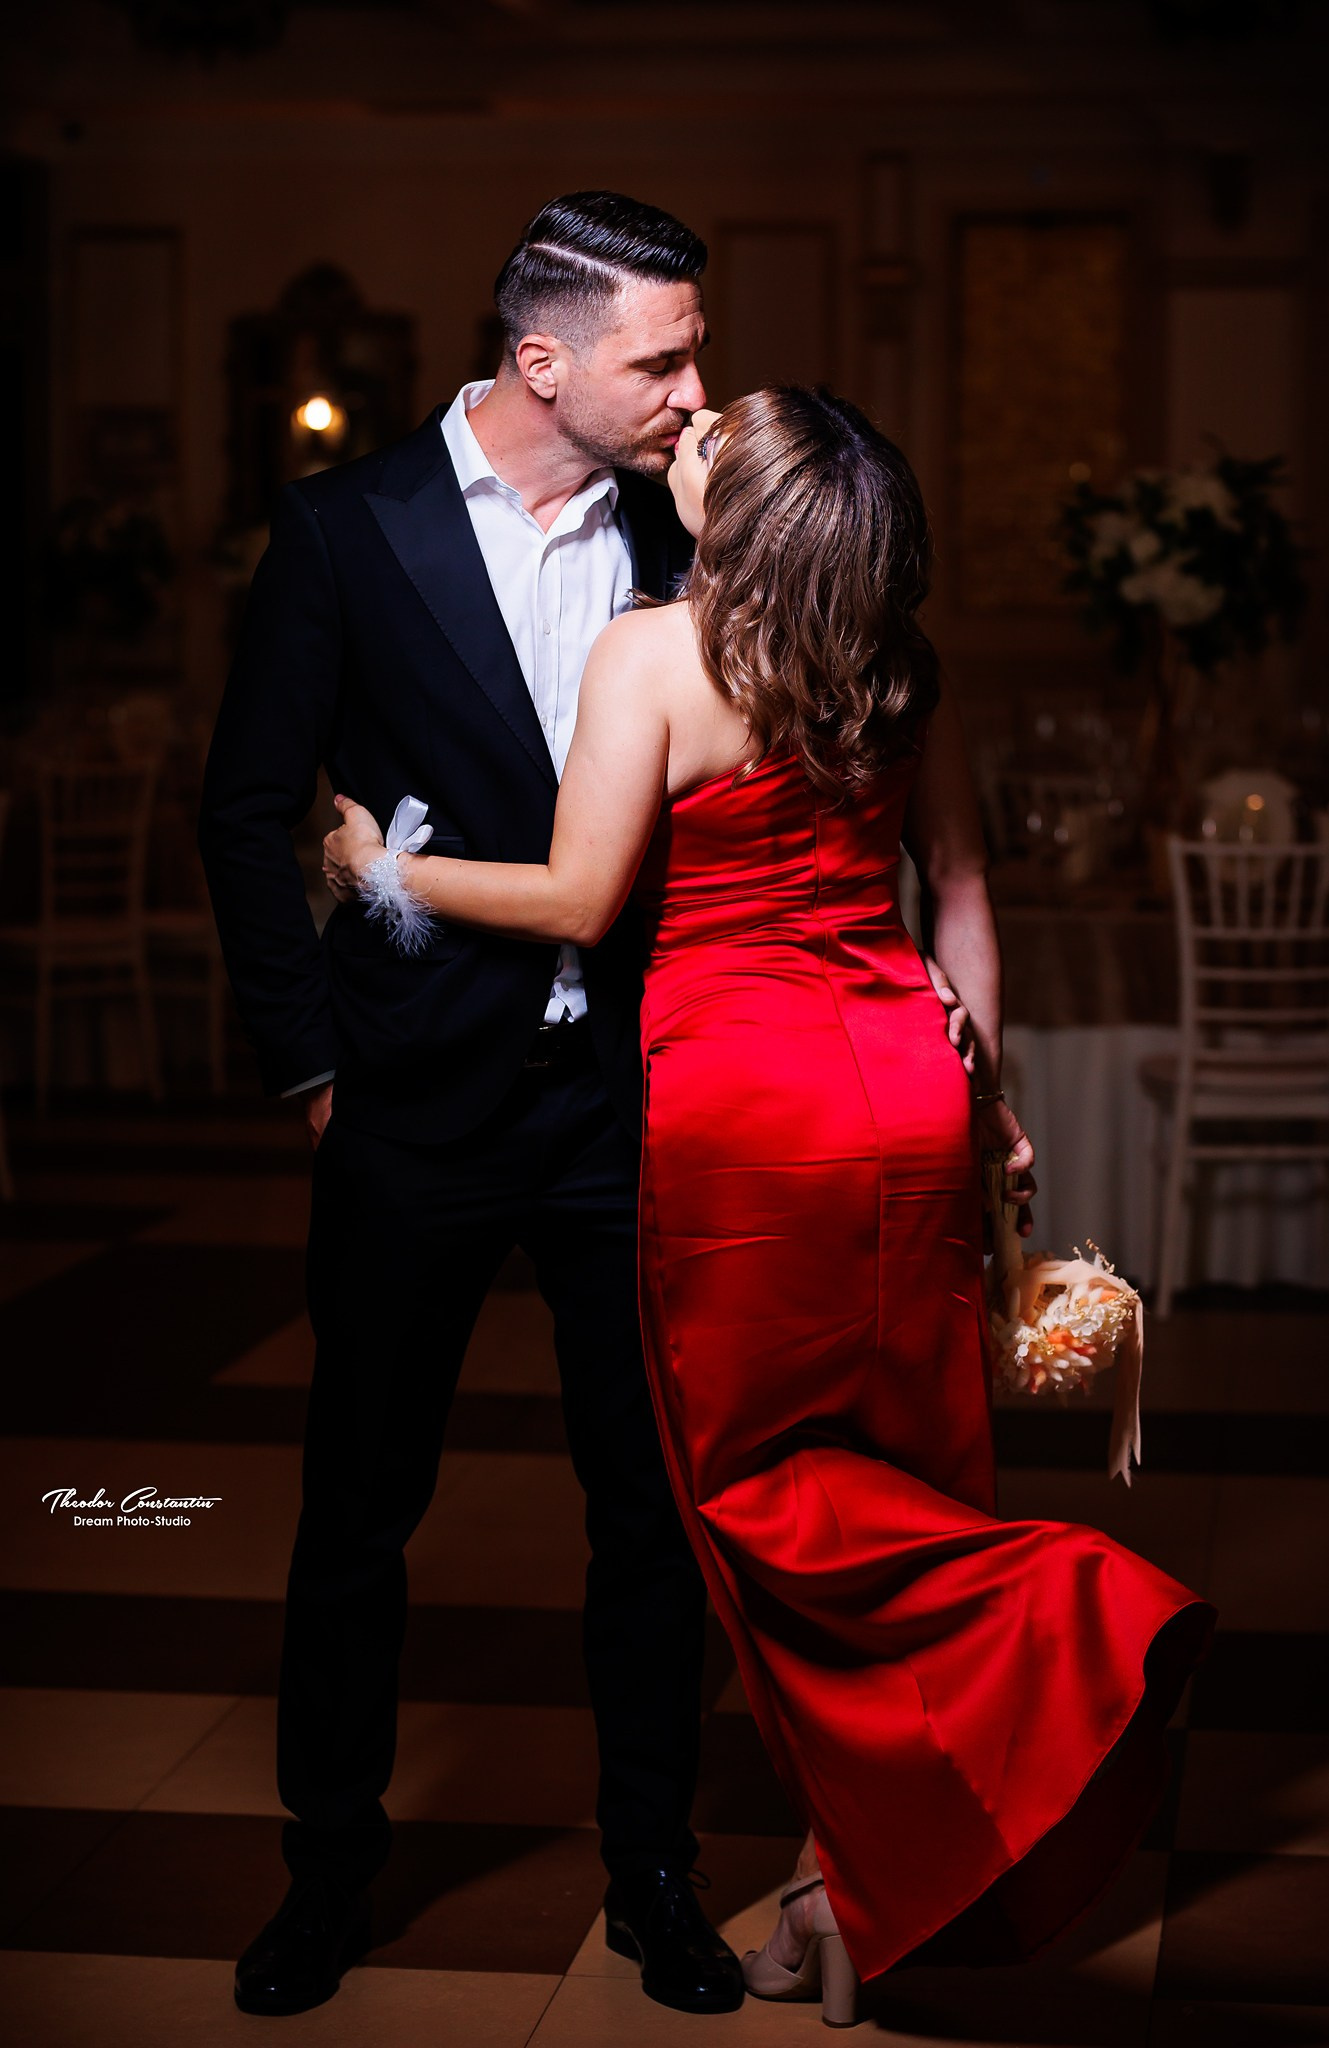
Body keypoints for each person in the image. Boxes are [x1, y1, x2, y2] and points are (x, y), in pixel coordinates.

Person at [323, 385, 1218, 2026]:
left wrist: (380, 870)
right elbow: (960, 885)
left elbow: (578, 900)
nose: (689, 427)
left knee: (747, 1500)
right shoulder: (898, 666)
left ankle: (1070, 1605)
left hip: (744, 1111)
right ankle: (841, 1893)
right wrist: (984, 1095)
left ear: (743, 509)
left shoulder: (652, 655)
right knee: (905, 1459)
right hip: (904, 1087)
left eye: (715, 432)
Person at [200, 191, 749, 2019]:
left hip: (627, 1097)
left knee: (647, 1513)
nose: (695, 392)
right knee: (359, 1508)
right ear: (542, 361)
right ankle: (327, 1871)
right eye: (662, 360)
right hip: (412, 1102)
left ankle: (654, 1874)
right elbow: (246, 809)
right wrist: (312, 1066)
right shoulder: (344, 528)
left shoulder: (686, 531)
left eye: (693, 354)